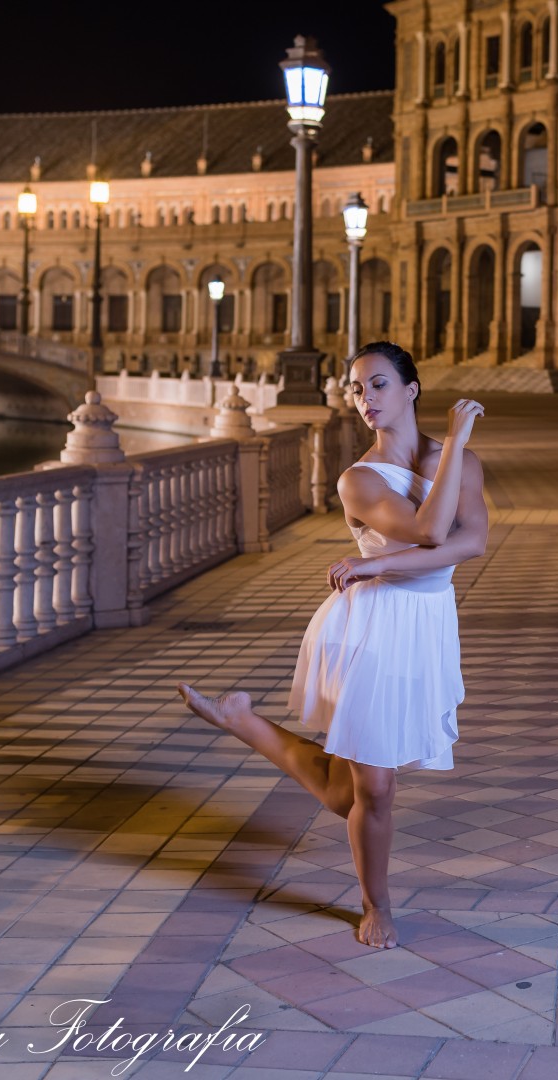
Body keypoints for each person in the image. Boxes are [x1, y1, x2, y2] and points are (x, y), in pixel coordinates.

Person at [179, 341, 487, 949]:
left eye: (378, 384)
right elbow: (431, 530)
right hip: (368, 629)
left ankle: (242, 720)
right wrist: (454, 442)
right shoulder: (359, 479)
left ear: (410, 390)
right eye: (357, 388)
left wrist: (377, 563)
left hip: (425, 628)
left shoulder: (460, 461)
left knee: (347, 791)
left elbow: (471, 542)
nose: (365, 398)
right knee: (376, 788)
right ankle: (377, 906)